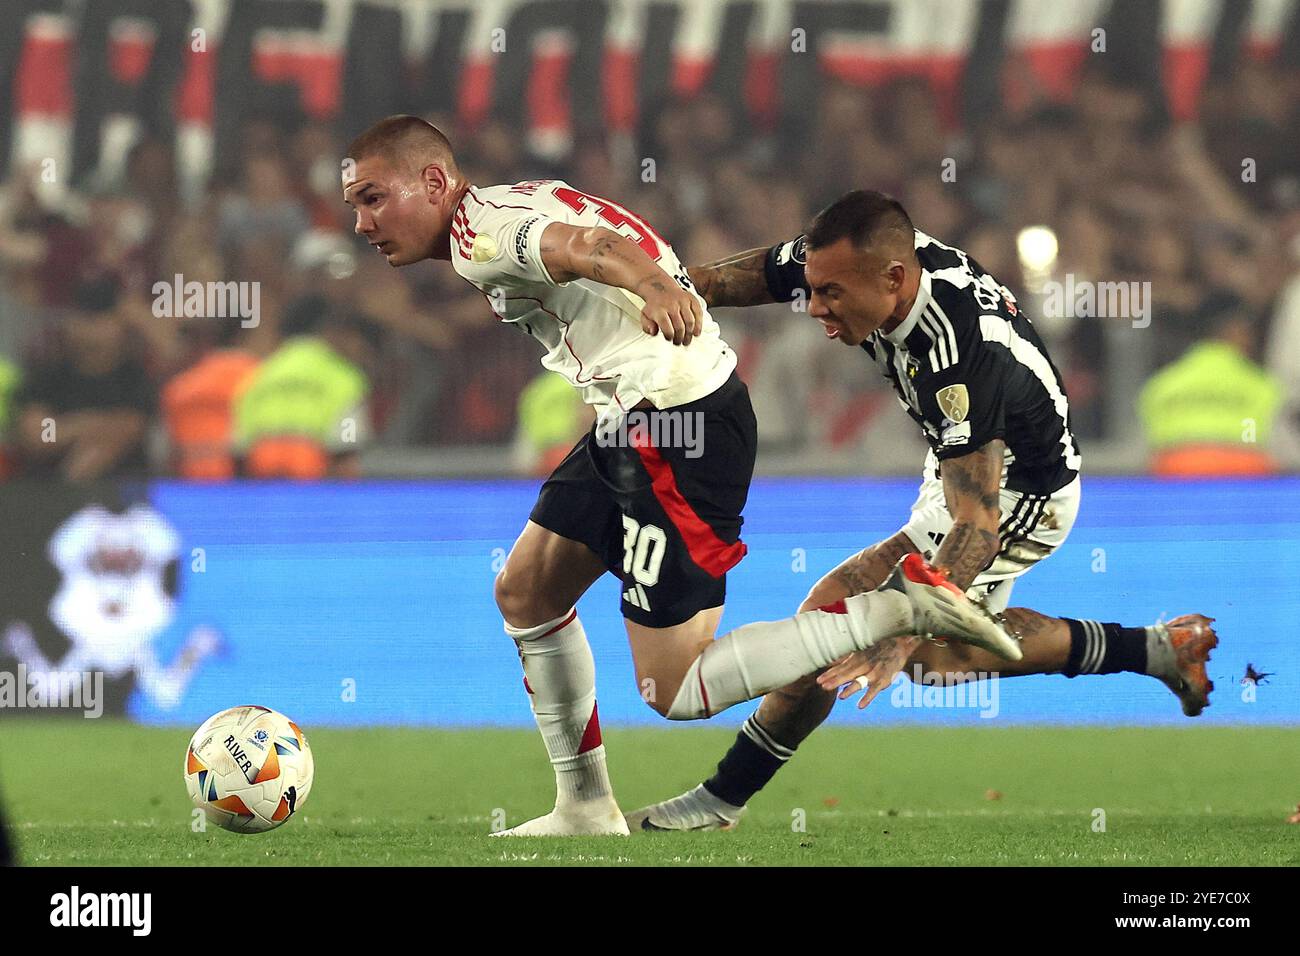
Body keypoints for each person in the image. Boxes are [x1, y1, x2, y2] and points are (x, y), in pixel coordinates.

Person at [342, 116, 1020, 836]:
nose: (361, 222)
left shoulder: (481, 238)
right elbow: (585, 244)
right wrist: (655, 284)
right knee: (527, 590)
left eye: (374, 198)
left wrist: (652, 284)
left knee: (675, 686)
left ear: (436, 182)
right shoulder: (506, 201)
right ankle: (584, 806)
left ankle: (899, 610)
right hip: (642, 414)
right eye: (356, 204)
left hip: (674, 421)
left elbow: (588, 246)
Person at [628, 190, 1219, 832]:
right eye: (813, 288)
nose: (817, 309)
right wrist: (657, 289)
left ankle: (719, 801)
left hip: (1022, 496)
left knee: (854, 629)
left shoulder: (958, 357)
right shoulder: (871, 265)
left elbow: (978, 529)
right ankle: (1160, 648)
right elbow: (735, 279)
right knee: (923, 658)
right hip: (958, 472)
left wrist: (905, 627)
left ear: (893, 279)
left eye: (831, 295)